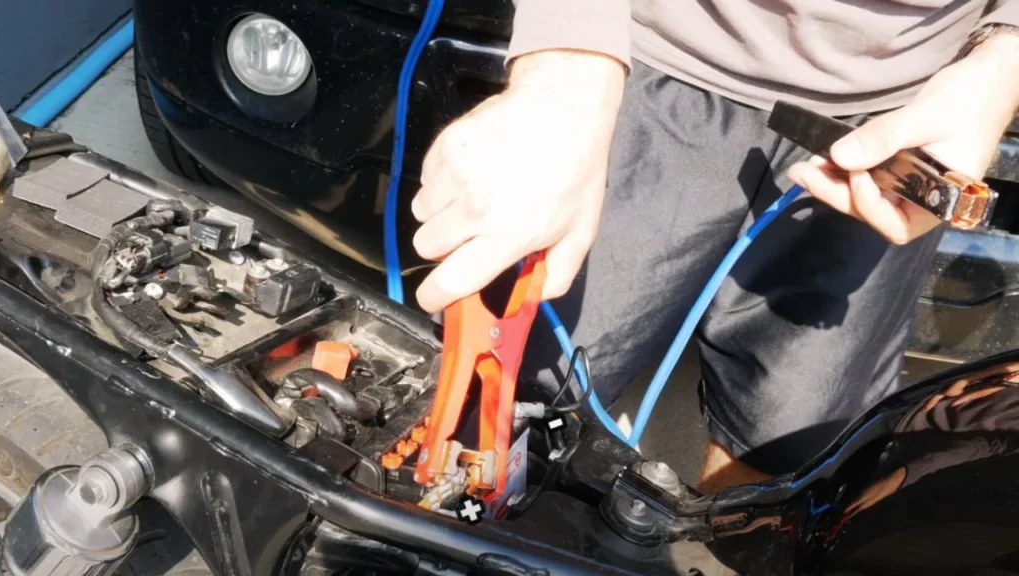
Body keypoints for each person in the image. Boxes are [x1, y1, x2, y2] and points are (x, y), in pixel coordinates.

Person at [408, 1, 1019, 492]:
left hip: (899, 125)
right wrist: (566, 65)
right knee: (516, 394)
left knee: (802, 453)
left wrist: (1001, 65)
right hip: (655, 61)